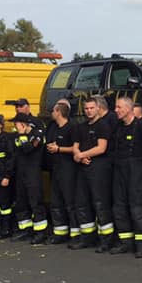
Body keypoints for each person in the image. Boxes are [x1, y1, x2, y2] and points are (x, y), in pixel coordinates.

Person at [111, 96, 142, 256]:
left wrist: (138, 159)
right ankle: (125, 242)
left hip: (136, 171)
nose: (116, 110)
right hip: (119, 171)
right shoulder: (117, 127)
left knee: (137, 208)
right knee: (119, 208)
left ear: (129, 109)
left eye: (119, 107)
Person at [72, 96, 115, 251]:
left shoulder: (103, 126)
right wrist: (79, 156)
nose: (89, 111)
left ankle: (106, 240)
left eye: (91, 108)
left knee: (100, 203)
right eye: (86, 108)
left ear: (98, 108)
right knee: (82, 203)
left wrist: (81, 155)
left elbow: (101, 148)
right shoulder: (80, 127)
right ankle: (87, 238)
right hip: (83, 169)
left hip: (99, 169)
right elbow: (75, 146)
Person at [10, 114, 49, 244]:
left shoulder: (36, 134)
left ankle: (40, 232)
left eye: (16, 124)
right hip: (21, 172)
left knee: (35, 201)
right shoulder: (17, 136)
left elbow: (27, 149)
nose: (15, 127)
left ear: (23, 124)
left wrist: (22, 135)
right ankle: (25, 230)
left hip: (33, 172)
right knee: (21, 201)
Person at [45, 100, 79, 244]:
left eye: (53, 111)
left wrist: (59, 149)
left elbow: (76, 148)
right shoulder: (54, 128)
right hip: (56, 168)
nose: (52, 113)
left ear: (59, 112)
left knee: (70, 202)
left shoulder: (72, 127)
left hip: (68, 169)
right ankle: (60, 232)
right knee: (56, 201)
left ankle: (75, 234)